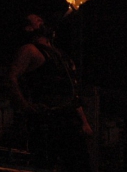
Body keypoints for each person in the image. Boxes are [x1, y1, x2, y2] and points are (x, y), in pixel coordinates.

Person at [8, 13, 93, 171]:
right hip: (46, 121)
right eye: (36, 20)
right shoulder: (30, 50)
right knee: (46, 166)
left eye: (42, 19)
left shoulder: (62, 56)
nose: (41, 20)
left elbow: (71, 91)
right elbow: (12, 77)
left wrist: (84, 121)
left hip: (69, 121)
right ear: (29, 28)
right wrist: (24, 105)